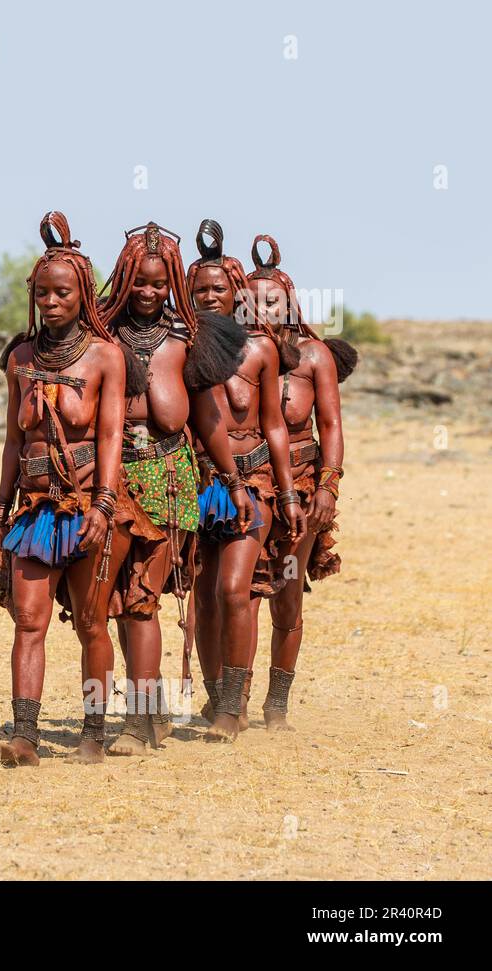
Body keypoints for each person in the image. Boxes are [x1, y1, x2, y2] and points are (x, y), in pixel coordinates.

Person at [0, 212, 144, 766]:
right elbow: (11, 441)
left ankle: (93, 735)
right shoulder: (21, 359)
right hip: (32, 510)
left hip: (90, 509)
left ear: (82, 297)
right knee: (29, 620)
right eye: (43, 293)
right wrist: (0, 513)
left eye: (63, 293)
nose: (51, 303)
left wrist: (103, 504)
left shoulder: (105, 356)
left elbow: (110, 435)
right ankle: (25, 738)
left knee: (94, 623)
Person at [99, 223, 248, 754]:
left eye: (160, 284)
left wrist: (233, 483)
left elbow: (208, 420)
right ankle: (152, 711)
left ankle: (141, 723)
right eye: (139, 281)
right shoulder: (102, 338)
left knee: (141, 596)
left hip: (169, 479)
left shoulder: (190, 340)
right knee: (116, 598)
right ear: (122, 278)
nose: (148, 292)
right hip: (114, 483)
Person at [186, 219, 298, 734]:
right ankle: (216, 699)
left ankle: (235, 706)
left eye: (219, 288)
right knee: (204, 598)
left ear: (238, 292)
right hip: (193, 484)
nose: (209, 296)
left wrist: (291, 492)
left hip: (251, 484)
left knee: (235, 590)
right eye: (199, 289)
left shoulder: (260, 349)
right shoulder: (176, 348)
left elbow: (274, 423)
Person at [249, 235, 354, 730]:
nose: (262, 307)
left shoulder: (313, 357)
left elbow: (330, 425)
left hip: (304, 485)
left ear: (290, 302)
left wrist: (328, 488)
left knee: (286, 594)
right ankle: (230, 701)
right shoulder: (236, 354)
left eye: (272, 299)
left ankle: (277, 705)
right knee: (239, 591)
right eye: (252, 299)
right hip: (249, 483)